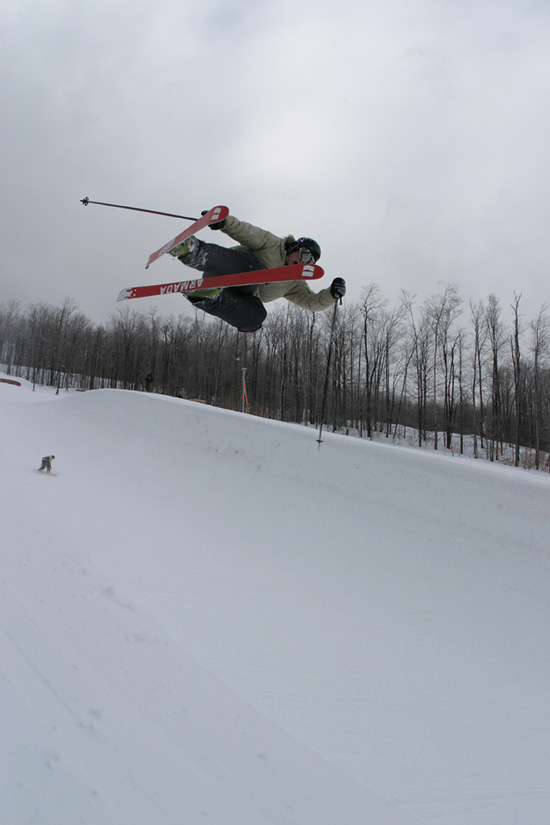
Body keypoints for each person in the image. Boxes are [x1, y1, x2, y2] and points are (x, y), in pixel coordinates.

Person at [168, 211, 346, 332]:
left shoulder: (294, 283)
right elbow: (248, 232)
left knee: (258, 318)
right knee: (253, 268)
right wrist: (225, 222)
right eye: (303, 254)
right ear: (295, 247)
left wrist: (331, 294)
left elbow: (312, 302)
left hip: (232, 296)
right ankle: (194, 252)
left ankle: (209, 297)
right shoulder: (273, 244)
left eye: (309, 262)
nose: (302, 261)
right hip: (225, 271)